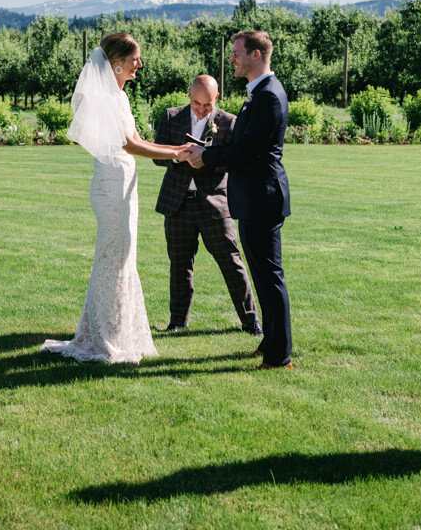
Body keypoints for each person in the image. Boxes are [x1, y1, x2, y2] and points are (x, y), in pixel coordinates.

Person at [41, 33, 190, 363]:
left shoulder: (118, 96)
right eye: (135, 58)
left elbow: (136, 138)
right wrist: (178, 154)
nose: (140, 64)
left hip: (123, 182)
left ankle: (103, 331)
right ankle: (105, 337)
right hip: (111, 185)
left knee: (121, 258)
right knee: (113, 259)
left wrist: (176, 149)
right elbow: (129, 144)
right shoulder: (106, 98)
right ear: (117, 63)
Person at [182, 31, 293, 369]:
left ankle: (280, 355)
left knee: (270, 275)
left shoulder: (268, 97)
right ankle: (272, 340)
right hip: (255, 195)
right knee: (262, 274)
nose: (232, 58)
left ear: (257, 55)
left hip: (263, 195)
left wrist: (206, 156)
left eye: (237, 53)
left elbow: (247, 150)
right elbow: (244, 145)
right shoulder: (259, 93)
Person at [151, 75, 260, 335]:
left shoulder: (230, 122)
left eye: (207, 105)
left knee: (232, 262)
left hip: (214, 203)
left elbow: (235, 160)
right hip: (177, 202)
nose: (201, 110)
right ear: (189, 94)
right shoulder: (170, 117)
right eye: (196, 103)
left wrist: (206, 159)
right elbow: (156, 154)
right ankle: (178, 322)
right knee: (179, 264)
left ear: (217, 98)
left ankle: (250, 321)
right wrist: (178, 158)